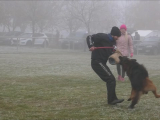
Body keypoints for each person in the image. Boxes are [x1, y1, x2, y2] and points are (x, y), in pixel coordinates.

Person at [86, 26, 124, 105]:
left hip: (102, 63)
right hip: (97, 62)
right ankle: (111, 100)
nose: (118, 38)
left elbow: (110, 55)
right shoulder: (102, 36)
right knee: (111, 79)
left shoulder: (113, 43)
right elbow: (89, 37)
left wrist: (116, 57)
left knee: (111, 80)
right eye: (117, 36)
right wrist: (91, 46)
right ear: (113, 35)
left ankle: (113, 99)